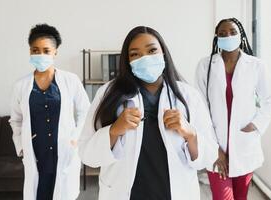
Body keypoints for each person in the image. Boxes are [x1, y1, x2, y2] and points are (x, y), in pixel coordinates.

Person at [78, 26, 218, 200]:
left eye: (152, 50)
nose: (144, 58)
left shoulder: (187, 96)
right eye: (135, 54)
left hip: (174, 193)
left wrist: (190, 134)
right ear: (127, 61)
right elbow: (86, 154)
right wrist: (114, 131)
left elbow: (210, 155)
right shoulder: (109, 94)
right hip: (124, 193)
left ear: (163, 54)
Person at [195, 18, 271, 200]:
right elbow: (200, 109)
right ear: (217, 38)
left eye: (233, 32)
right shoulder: (205, 66)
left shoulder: (256, 65)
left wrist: (255, 125)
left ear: (241, 35)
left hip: (244, 144)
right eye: (222, 33)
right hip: (216, 145)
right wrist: (216, 149)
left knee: (241, 197)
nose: (228, 36)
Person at [9, 24, 90, 200]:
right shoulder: (21, 86)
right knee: (39, 193)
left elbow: (85, 112)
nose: (40, 55)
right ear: (29, 51)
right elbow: (15, 120)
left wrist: (75, 138)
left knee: (63, 193)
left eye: (46, 50)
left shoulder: (70, 80)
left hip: (64, 149)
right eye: (35, 50)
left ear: (55, 52)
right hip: (36, 152)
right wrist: (21, 146)